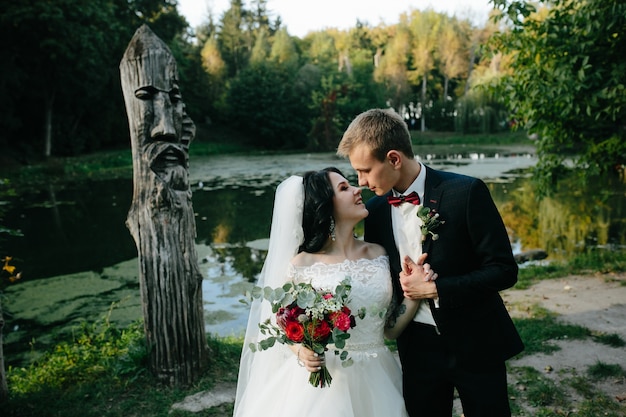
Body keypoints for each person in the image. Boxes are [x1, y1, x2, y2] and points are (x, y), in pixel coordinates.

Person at [337, 108, 524, 417]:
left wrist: (437, 288)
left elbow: (503, 271)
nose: (361, 182)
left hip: (475, 341)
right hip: (417, 349)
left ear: (394, 159)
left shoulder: (465, 193)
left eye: (366, 170)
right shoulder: (377, 211)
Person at [233, 168, 428, 417]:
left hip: (378, 375)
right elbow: (285, 326)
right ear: (325, 206)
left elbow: (389, 329)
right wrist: (302, 351)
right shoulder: (302, 265)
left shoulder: (378, 254)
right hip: (324, 383)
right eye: (345, 188)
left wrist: (413, 293)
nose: (358, 190)